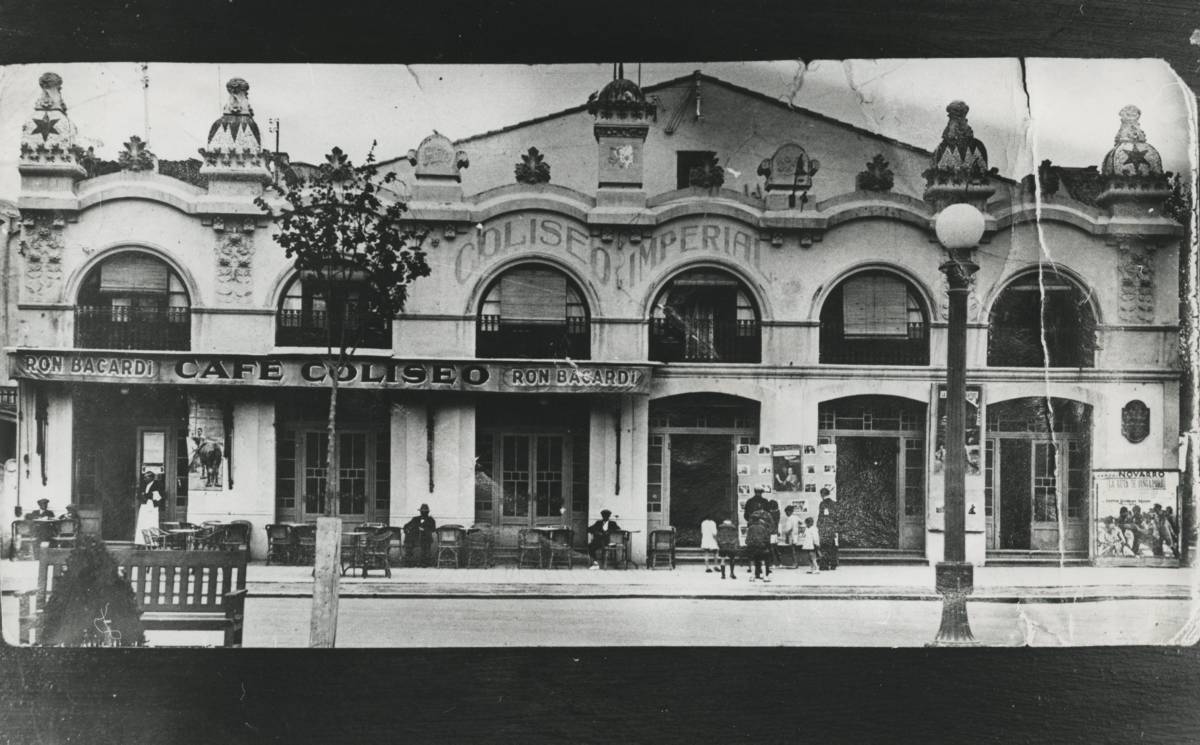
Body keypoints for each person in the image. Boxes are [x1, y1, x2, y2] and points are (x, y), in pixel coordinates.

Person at [133, 471, 163, 545]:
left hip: (152, 507)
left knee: (152, 523)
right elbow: (139, 495)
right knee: (142, 523)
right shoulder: (144, 485)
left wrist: (146, 495)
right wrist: (145, 495)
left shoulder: (157, 484)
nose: (145, 479)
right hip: (144, 506)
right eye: (144, 477)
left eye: (147, 477)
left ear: (152, 478)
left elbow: (158, 495)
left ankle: (153, 543)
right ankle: (141, 542)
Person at [744, 512, 772, 582]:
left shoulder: (750, 528)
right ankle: (765, 577)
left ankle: (752, 576)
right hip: (761, 547)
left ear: (752, 520)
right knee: (763, 561)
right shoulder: (762, 528)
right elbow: (766, 538)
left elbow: (747, 539)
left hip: (752, 547)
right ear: (759, 519)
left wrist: (748, 543)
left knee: (752, 562)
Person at [817, 488, 839, 570]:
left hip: (825, 528)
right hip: (832, 528)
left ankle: (824, 565)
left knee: (824, 546)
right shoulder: (834, 503)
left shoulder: (822, 504)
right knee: (833, 546)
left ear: (822, 494)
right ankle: (834, 564)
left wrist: (818, 526)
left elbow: (821, 517)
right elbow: (837, 517)